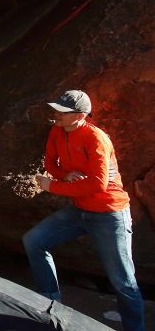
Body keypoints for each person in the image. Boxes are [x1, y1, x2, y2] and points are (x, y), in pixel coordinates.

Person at [23, 90, 145, 331]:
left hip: (110, 214)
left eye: (62, 111)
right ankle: (50, 303)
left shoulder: (96, 138)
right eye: (55, 109)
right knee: (34, 240)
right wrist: (63, 175)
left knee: (124, 282)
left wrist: (52, 186)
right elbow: (50, 163)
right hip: (80, 209)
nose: (55, 114)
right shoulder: (57, 130)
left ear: (80, 115)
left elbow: (98, 184)